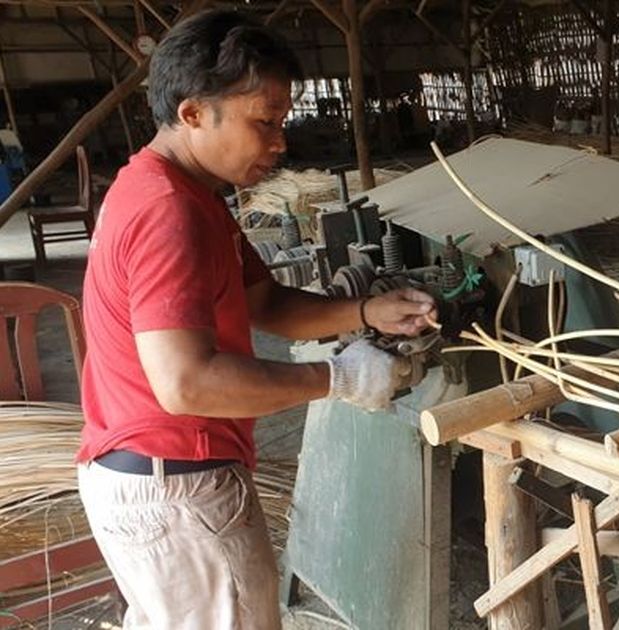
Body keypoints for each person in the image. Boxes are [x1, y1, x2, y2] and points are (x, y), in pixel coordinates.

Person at [75, 10, 435, 629]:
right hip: (177, 489)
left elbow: (264, 303)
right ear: (193, 113)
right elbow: (186, 384)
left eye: (282, 122)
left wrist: (364, 310)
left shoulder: (178, 192)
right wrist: (340, 379)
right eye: (263, 122)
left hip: (141, 475)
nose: (280, 141)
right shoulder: (169, 213)